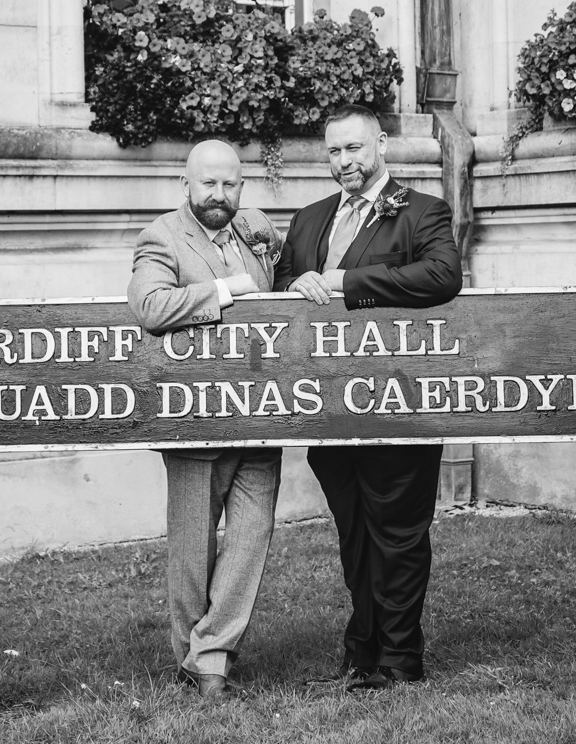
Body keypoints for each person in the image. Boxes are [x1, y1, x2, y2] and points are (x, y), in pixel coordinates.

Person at [273, 103, 463, 690]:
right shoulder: (308, 220)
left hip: (398, 405)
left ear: (381, 144)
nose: (344, 161)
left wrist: (343, 282)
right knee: (353, 533)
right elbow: (282, 285)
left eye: (354, 148)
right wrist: (295, 282)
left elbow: (441, 277)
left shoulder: (423, 213)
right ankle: (363, 647)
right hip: (328, 406)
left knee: (400, 535)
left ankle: (402, 658)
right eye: (333, 151)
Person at [127, 139, 284, 700]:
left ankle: (211, 658)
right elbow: (149, 307)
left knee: (249, 541)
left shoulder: (257, 229)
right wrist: (224, 289)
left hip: (261, 416)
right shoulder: (162, 236)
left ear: (243, 186)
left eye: (230, 184)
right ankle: (189, 656)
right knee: (193, 551)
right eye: (208, 184)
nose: (219, 195)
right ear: (186, 185)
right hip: (196, 421)